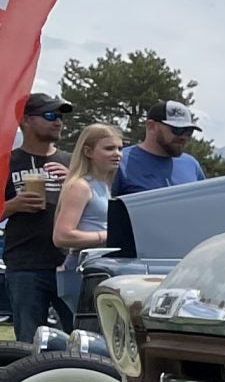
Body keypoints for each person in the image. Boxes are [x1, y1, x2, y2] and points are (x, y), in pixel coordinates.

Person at [5, 94, 72, 341]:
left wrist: (74, 183)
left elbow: (95, 207)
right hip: (25, 264)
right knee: (29, 340)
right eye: (50, 115)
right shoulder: (9, 162)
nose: (58, 122)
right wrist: (12, 205)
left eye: (60, 117)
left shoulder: (70, 161)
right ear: (26, 121)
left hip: (68, 264)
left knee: (79, 337)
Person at [48, 123, 121, 318]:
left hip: (97, 267)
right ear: (88, 151)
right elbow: (62, 236)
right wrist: (107, 236)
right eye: (109, 148)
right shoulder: (80, 186)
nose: (117, 154)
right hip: (81, 268)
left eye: (119, 148)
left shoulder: (103, 185)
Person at [114, 99, 207, 195]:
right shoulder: (119, 162)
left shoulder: (191, 165)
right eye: (177, 130)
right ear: (151, 126)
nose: (183, 137)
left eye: (188, 131)